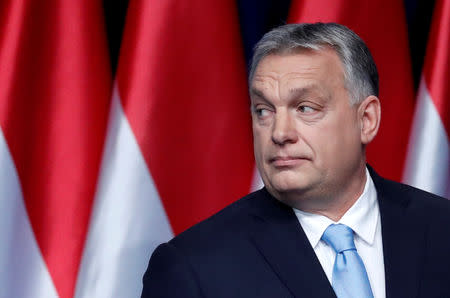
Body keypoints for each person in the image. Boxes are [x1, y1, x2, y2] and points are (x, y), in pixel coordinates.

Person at [141, 23, 450, 298]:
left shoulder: (441, 228)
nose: (279, 133)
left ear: (366, 119)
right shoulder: (193, 266)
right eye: (264, 110)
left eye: (305, 108)